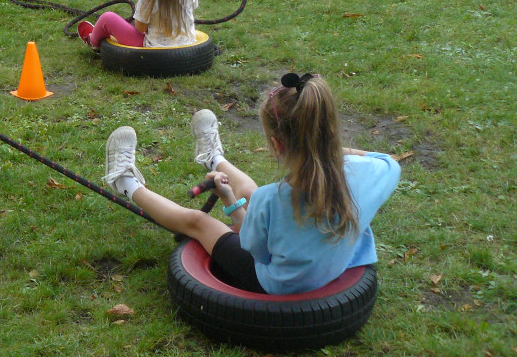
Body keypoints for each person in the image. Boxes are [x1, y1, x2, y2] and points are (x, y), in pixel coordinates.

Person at [102, 73, 401, 295]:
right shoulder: (368, 175)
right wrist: (326, 150)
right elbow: (388, 161)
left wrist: (228, 199)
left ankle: (126, 183)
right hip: (333, 264)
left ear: (277, 145)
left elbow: (253, 247)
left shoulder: (271, 201)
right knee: (255, 195)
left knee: (199, 223)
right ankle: (213, 158)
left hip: (275, 283)